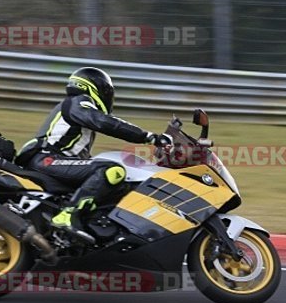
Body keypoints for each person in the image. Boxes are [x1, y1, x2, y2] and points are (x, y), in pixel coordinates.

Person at [15, 67, 171, 242]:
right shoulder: (78, 102)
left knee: (109, 171)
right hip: (47, 159)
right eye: (106, 91)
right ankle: (67, 216)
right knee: (110, 170)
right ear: (93, 87)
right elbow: (103, 122)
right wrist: (148, 137)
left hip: (53, 160)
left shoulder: (77, 110)